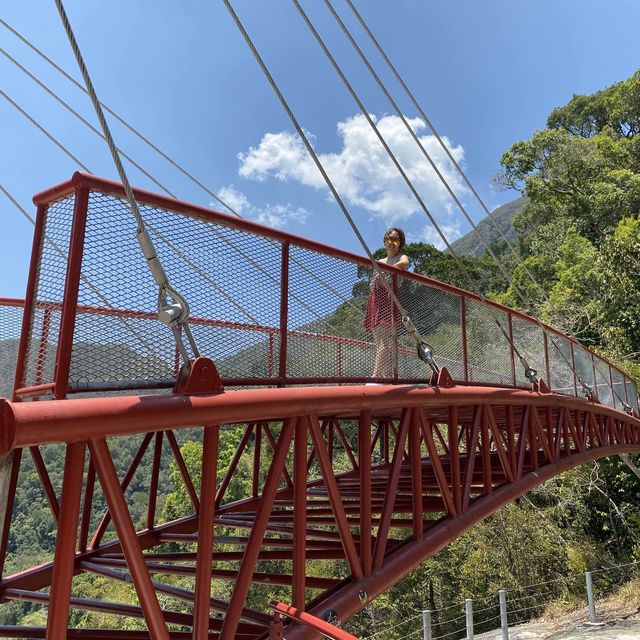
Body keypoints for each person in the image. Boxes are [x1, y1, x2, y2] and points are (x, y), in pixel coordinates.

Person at [363, 227, 410, 380]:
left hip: (390, 300)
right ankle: (384, 376)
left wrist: (384, 272)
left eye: (396, 239)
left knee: (384, 343)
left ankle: (376, 376)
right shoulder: (379, 262)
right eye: (389, 239)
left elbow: (404, 264)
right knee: (380, 343)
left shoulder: (401, 257)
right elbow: (373, 283)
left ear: (400, 243)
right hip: (377, 300)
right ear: (384, 242)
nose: (392, 242)